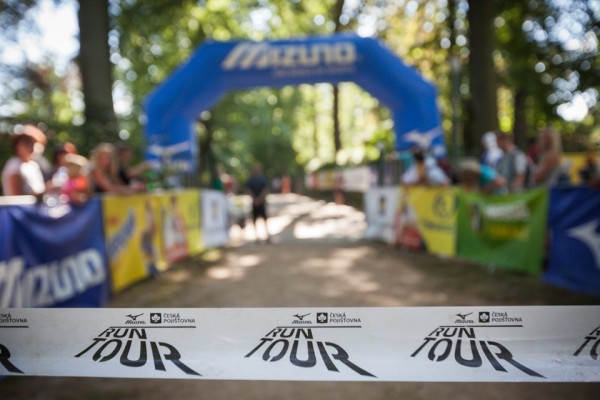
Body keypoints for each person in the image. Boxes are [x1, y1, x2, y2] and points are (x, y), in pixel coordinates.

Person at [1, 127, 46, 196]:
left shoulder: (33, 165)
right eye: (27, 143)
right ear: (17, 145)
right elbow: (17, 196)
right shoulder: (14, 165)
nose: (31, 147)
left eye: (34, 143)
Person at [245, 163, 271, 243]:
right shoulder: (251, 180)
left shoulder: (263, 179)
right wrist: (254, 199)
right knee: (254, 219)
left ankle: (267, 236)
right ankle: (257, 237)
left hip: (261, 202)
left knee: (264, 219)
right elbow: (248, 190)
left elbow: (266, 190)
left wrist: (260, 199)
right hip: (255, 203)